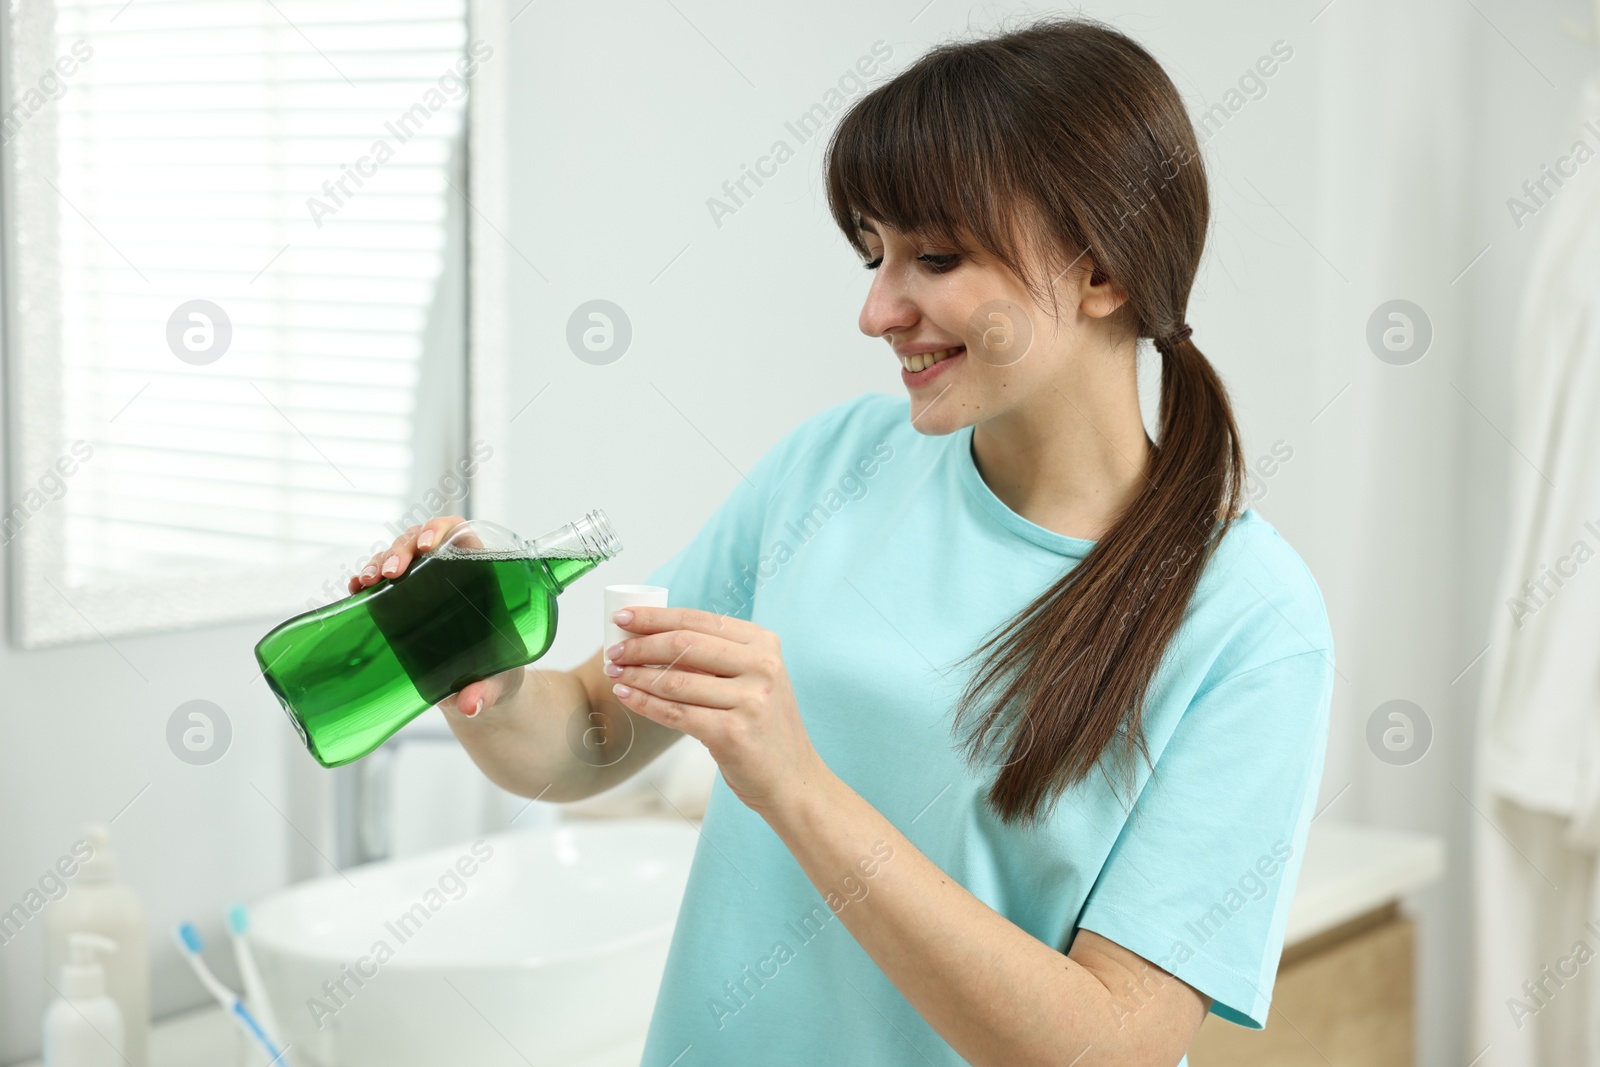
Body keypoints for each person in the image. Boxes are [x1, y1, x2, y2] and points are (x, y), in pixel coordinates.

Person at [355, 16, 1334, 1066]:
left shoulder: (1249, 620)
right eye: (876, 255)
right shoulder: (835, 464)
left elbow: (1109, 1046)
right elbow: (595, 730)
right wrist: (479, 670)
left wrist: (796, 785)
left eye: (936, 257)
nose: (876, 310)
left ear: (1103, 273)